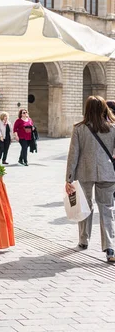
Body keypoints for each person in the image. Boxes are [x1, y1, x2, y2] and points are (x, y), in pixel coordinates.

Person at [65, 96, 115, 262]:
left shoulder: (79, 128)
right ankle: (110, 247)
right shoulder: (112, 128)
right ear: (103, 109)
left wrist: (69, 178)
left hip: (84, 172)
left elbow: (73, 155)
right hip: (107, 173)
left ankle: (83, 239)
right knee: (107, 209)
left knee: (85, 206)